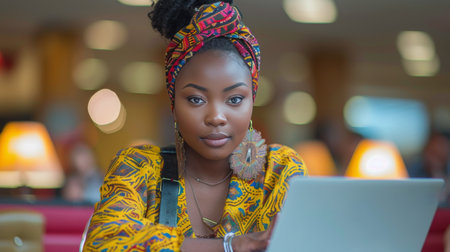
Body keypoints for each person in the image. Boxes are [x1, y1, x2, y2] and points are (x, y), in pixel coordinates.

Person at [83, 1, 307, 251]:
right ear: (174, 104)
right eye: (196, 99)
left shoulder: (277, 171)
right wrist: (231, 246)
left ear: (252, 101)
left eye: (234, 99)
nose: (216, 117)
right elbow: (102, 242)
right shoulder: (139, 168)